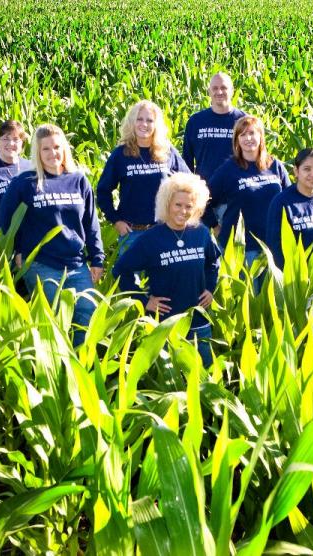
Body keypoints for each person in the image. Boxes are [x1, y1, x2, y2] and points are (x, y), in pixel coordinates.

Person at [0, 124, 105, 345]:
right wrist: (17, 250)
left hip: (77, 264)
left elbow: (91, 222)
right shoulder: (25, 183)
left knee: (87, 318)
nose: (52, 153)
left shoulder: (78, 180)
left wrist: (97, 258)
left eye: (56, 147)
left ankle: (80, 371)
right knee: (53, 325)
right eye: (45, 149)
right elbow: (5, 220)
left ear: (64, 148)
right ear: (37, 152)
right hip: (41, 264)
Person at [113, 173, 221, 367]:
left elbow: (213, 261)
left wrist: (210, 289)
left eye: (189, 206)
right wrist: (145, 300)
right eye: (178, 205)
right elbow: (121, 270)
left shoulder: (201, 233)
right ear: (167, 204)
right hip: (164, 325)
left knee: (204, 380)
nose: (183, 211)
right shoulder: (151, 238)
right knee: (170, 386)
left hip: (198, 323)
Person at [96, 100, 189, 254]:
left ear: (156, 125)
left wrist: (180, 216)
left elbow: (189, 184)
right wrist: (116, 220)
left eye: (149, 120)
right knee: (131, 279)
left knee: (163, 279)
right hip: (132, 234)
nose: (144, 124)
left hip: (164, 231)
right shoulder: (120, 154)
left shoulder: (167, 152)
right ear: (132, 122)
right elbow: (103, 191)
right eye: (139, 119)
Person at [204, 115, 290, 267]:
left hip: (274, 246)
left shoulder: (274, 165)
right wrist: (215, 227)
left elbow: (291, 198)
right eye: (242, 134)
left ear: (261, 136)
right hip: (242, 249)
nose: (248, 138)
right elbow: (203, 199)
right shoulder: (228, 169)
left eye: (252, 133)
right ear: (237, 140)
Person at [182, 72, 247, 183]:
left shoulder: (244, 121)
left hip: (236, 192)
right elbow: (186, 163)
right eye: (215, 88)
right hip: (204, 192)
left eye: (223, 88)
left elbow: (255, 157)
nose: (219, 92)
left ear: (232, 91)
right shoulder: (196, 122)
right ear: (209, 91)